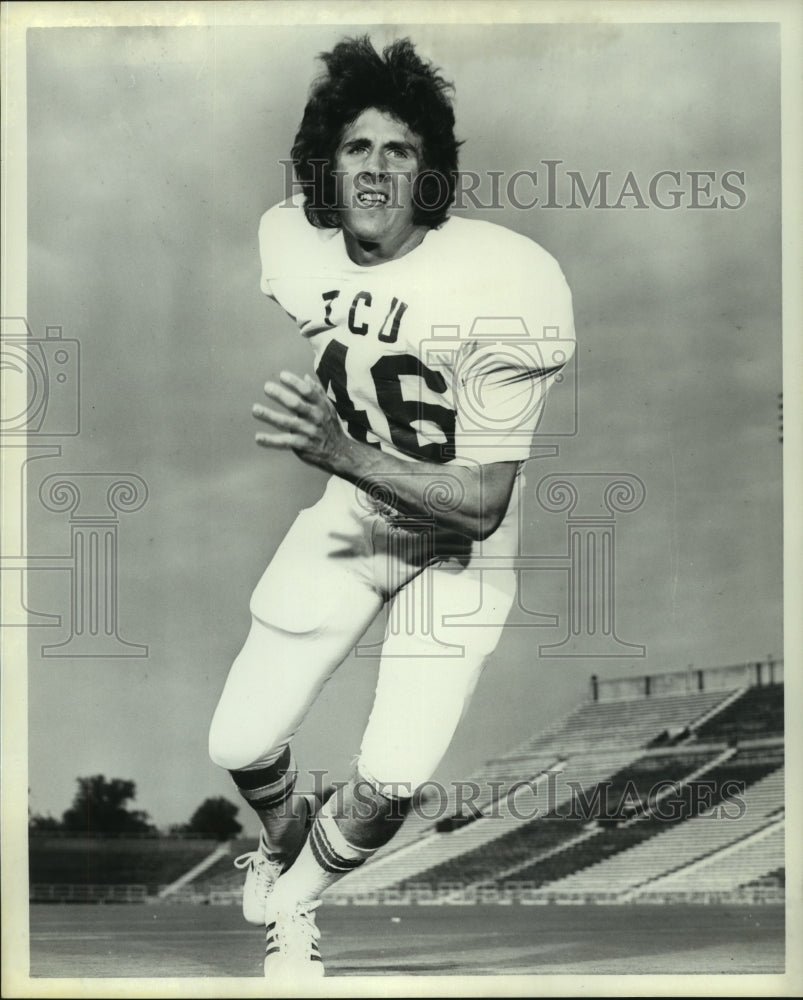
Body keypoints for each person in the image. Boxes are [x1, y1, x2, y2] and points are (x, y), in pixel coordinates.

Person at [209, 35, 575, 979]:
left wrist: (337, 448)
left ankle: (295, 906)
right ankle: (284, 836)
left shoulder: (507, 285)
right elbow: (343, 306)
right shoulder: (288, 239)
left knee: (396, 773)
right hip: (359, 507)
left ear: (431, 171)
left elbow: (484, 504)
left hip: (454, 532)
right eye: (359, 147)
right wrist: (350, 458)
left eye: (401, 150)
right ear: (327, 163)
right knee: (238, 740)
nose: (377, 169)